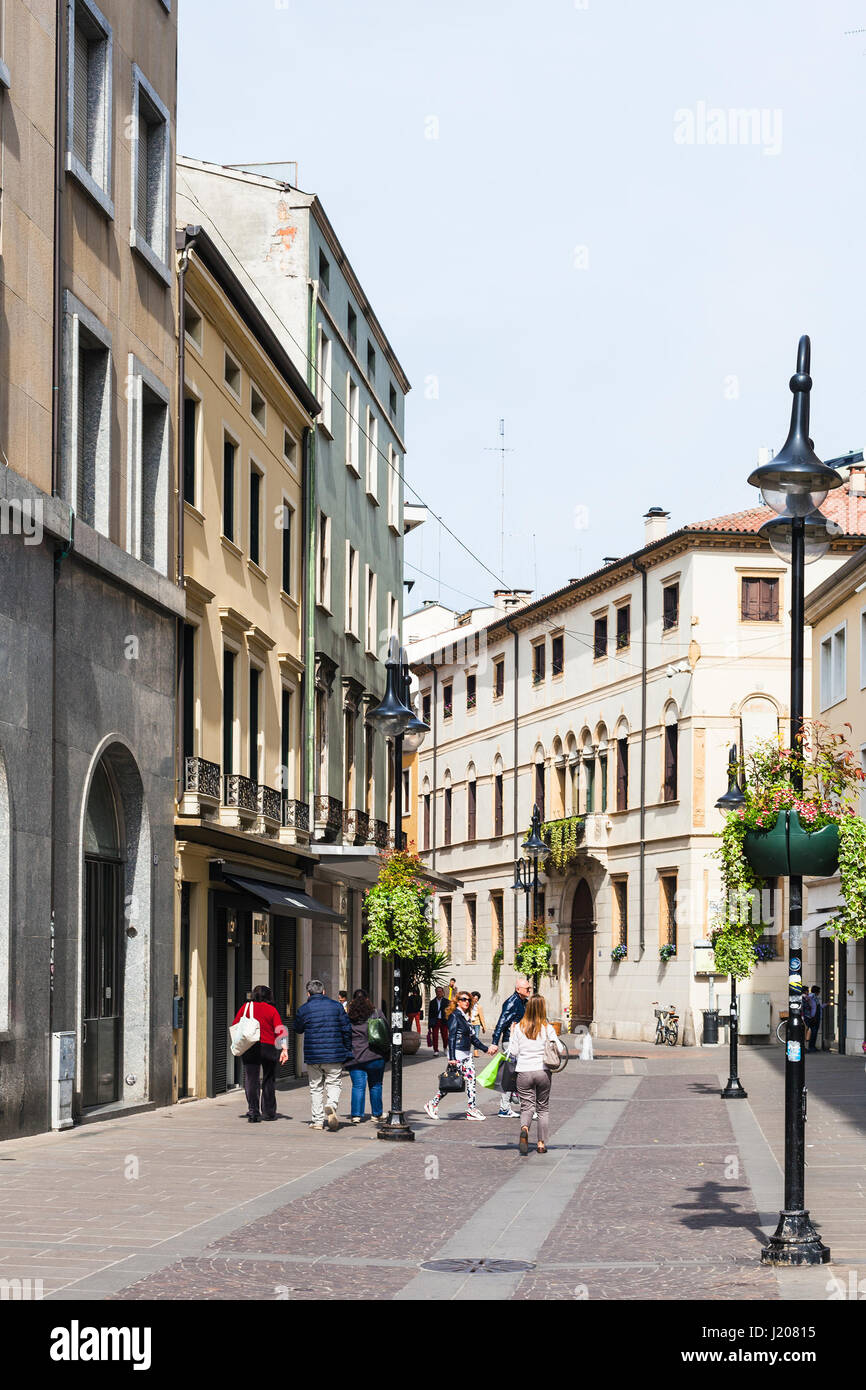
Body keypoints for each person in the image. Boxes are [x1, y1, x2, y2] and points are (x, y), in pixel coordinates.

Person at [507, 994, 565, 1154]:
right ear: (542, 1009)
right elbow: (560, 1049)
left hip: (524, 1072)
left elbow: (513, 1052)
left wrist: (512, 1034)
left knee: (527, 1106)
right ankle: (540, 1144)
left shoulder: (519, 1027)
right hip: (543, 1071)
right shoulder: (547, 1028)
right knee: (543, 1108)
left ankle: (525, 1128)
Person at [293, 979, 353, 1131]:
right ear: (324, 991)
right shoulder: (337, 1006)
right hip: (334, 1054)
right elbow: (347, 1029)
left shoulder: (304, 1009)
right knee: (334, 1083)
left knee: (316, 1087)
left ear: (308, 993)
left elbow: (298, 1029)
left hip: (313, 1054)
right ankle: (331, 1105)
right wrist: (346, 1049)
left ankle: (318, 1121)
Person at [424, 989, 486, 1121]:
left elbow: (473, 1038)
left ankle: (471, 1109)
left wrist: (486, 1049)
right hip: (457, 1054)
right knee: (451, 1082)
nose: (467, 1002)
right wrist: (451, 1057)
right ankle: (432, 1103)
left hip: (466, 1054)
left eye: (468, 1000)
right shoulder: (454, 1015)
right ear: (457, 1002)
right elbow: (451, 1037)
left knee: (471, 1080)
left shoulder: (465, 1016)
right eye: (463, 999)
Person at [232, 985, 289, 1123]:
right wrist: (284, 1049)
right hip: (269, 1047)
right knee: (268, 1079)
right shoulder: (272, 1010)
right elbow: (280, 1030)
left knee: (251, 1080)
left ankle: (253, 1112)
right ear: (269, 996)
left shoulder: (245, 1008)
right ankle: (269, 1112)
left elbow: (235, 1025)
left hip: (250, 1046)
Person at [490, 977, 533, 1117]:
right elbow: (501, 1023)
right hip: (511, 1043)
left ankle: (506, 1106)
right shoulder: (512, 1003)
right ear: (518, 989)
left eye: (529, 988)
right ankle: (516, 1107)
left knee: (513, 1075)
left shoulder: (523, 1002)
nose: (529, 990)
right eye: (527, 988)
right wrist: (494, 1042)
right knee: (519, 1074)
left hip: (519, 1042)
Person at [346, 989, 388, 1124]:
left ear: (352, 1001)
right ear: (367, 999)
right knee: (376, 1084)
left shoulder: (349, 1016)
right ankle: (377, 1114)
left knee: (358, 1085)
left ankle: (356, 1115)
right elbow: (386, 1031)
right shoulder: (377, 1013)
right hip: (375, 1055)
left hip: (355, 1056)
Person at [428, 986, 449, 1055]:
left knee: (445, 1036)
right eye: (437, 991)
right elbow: (430, 1014)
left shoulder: (447, 1001)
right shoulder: (432, 1002)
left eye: (440, 991)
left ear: (443, 992)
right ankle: (436, 1050)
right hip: (435, 1021)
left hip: (444, 1021)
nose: (439, 993)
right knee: (435, 1036)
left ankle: (445, 1048)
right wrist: (429, 1025)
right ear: (435, 992)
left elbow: (449, 1013)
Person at [804, 985, 822, 1052]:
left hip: (815, 1016)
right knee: (814, 1032)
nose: (819, 992)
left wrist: (826, 1004)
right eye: (819, 991)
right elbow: (807, 998)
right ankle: (811, 1047)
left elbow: (818, 1007)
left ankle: (812, 1046)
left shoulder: (815, 998)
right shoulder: (812, 996)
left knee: (814, 1032)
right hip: (813, 1017)